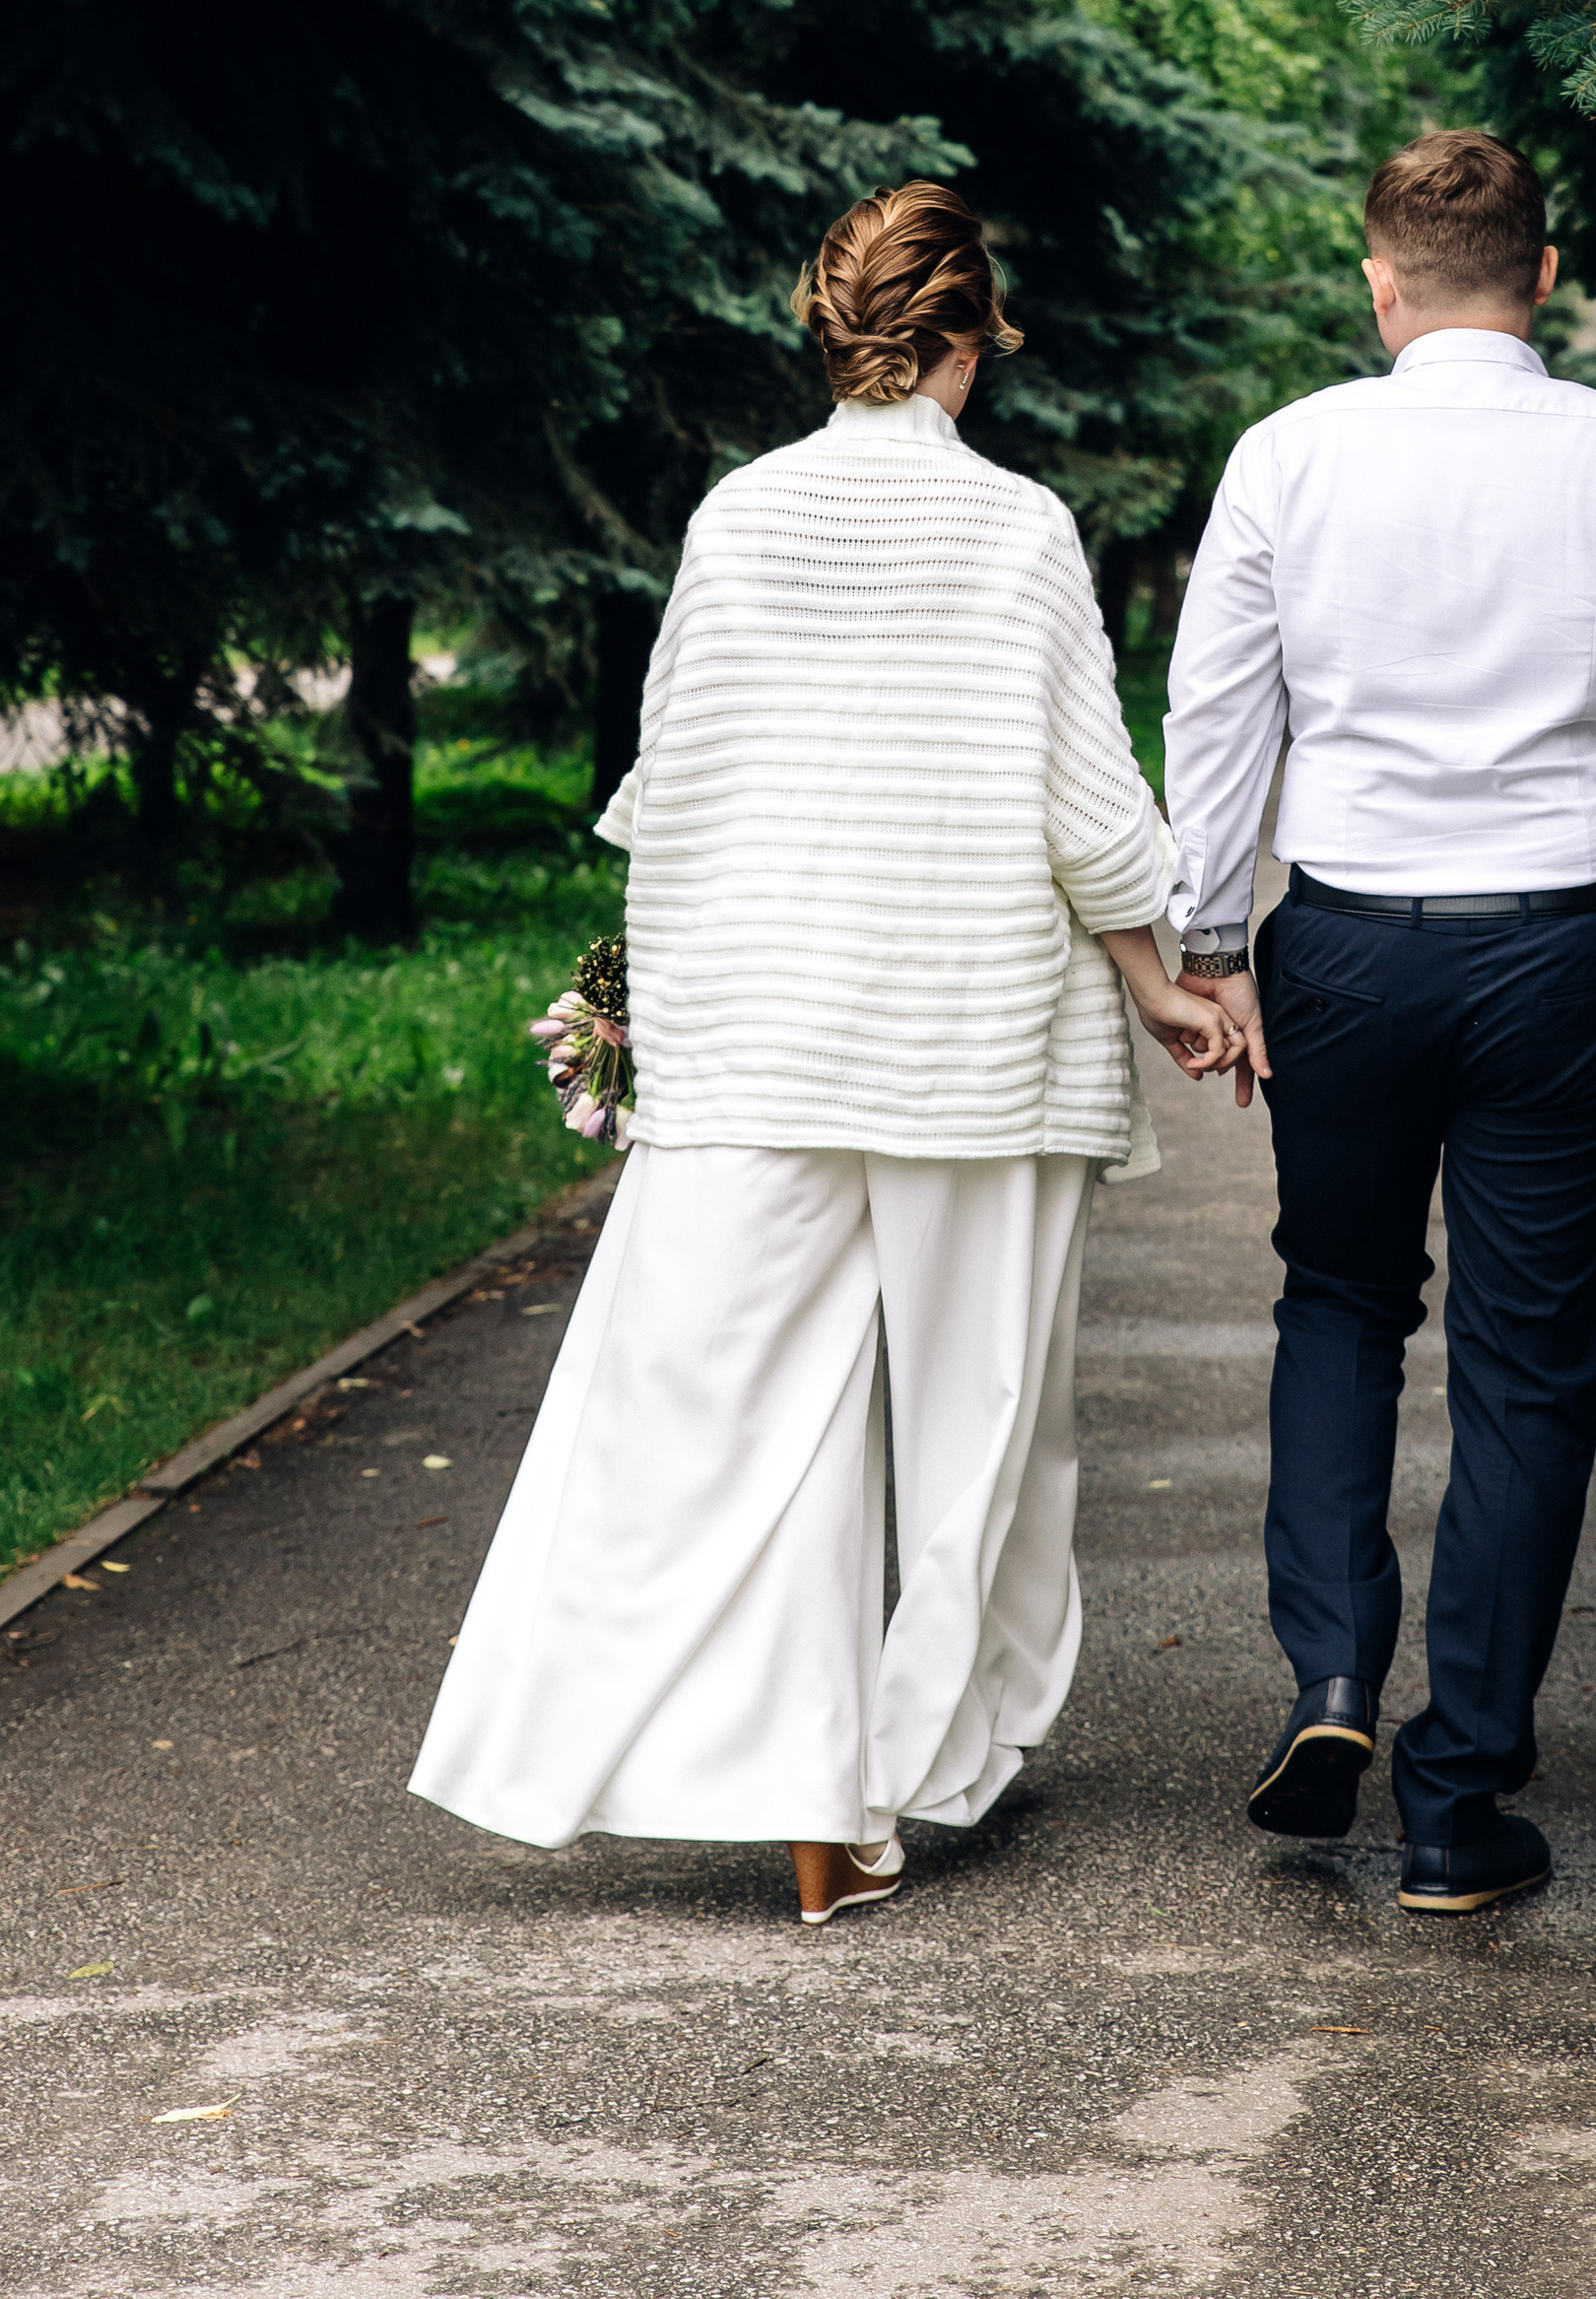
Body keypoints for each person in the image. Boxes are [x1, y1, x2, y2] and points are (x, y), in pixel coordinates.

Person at [410, 179, 1238, 1927]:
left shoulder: (735, 517)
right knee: (981, 1428)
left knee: (719, 1413)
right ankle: (926, 1759)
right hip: (974, 1037)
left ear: (838, 327)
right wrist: (1165, 982)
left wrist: (658, 1013)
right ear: (965, 336)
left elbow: (677, 789)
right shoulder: (1015, 531)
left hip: (765, 1034)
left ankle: (800, 1795)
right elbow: (1092, 813)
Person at [1163, 128, 1596, 1919]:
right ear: (1539, 273)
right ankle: (1458, 1801)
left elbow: (1219, 721)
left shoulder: (1288, 456)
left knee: (1340, 1295)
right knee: (1530, 1362)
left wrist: (1210, 944)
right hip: (1557, 951)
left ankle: (1332, 1685)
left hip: (1349, 945)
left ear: (1380, 284)